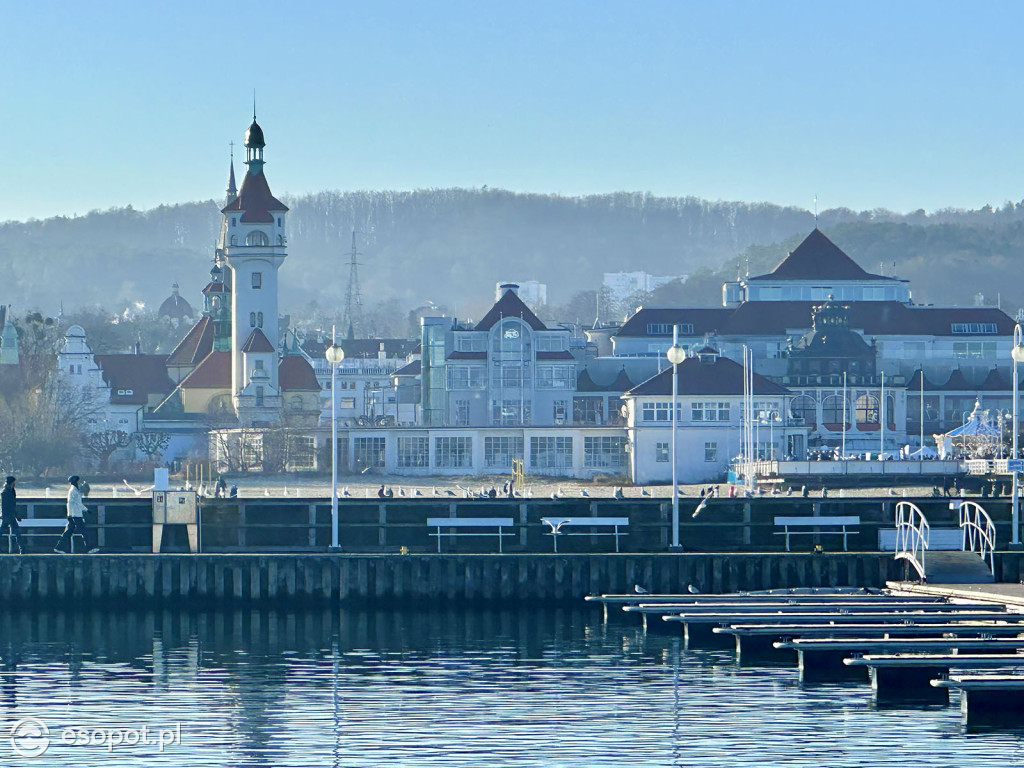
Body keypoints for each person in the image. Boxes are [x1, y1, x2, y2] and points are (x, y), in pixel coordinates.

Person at [55, 475, 98, 554]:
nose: (79, 483)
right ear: (75, 481)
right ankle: (89, 548)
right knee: (83, 531)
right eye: (78, 481)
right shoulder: (74, 491)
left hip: (73, 515)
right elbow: (77, 503)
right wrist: (87, 510)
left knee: (69, 531)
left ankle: (59, 547)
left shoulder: (74, 491)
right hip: (76, 515)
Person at [1, 477, 23, 554]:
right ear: (11, 483)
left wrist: (16, 515)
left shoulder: (11, 491)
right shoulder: (5, 492)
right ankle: (23, 549)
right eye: (14, 482)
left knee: (16, 533)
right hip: (8, 516)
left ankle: (23, 549)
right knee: (17, 533)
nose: (15, 484)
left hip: (10, 516)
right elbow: (5, 506)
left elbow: (12, 505)